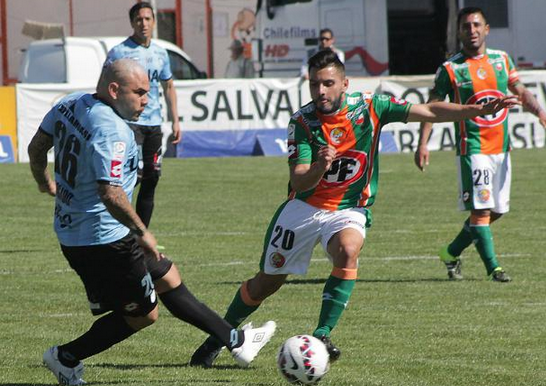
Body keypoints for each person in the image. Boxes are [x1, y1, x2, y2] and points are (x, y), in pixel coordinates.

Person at [189, 50, 518, 367]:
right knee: (266, 283)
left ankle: (322, 334)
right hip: (304, 208)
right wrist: (319, 165)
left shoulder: (371, 108)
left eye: (328, 83)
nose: (321, 91)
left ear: (345, 84)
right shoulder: (303, 122)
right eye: (315, 84)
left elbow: (429, 111)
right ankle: (217, 338)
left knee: (347, 249)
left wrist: (474, 111)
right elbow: (300, 181)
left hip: (349, 208)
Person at [28, 59, 275, 385]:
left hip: (84, 231)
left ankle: (237, 342)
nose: (147, 100)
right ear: (115, 89)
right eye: (140, 92)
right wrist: (141, 231)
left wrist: (44, 181)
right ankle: (65, 357)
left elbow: (36, 147)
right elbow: (111, 193)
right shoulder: (112, 129)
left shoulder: (69, 102)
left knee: (167, 276)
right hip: (103, 241)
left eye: (150, 92)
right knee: (144, 315)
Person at [414, 7, 546, 282]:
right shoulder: (451, 68)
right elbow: (431, 107)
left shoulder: (501, 60)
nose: (472, 30)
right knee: (480, 211)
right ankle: (494, 269)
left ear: (486, 29)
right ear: (459, 32)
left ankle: (450, 252)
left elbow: (520, 90)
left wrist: (540, 113)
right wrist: (423, 143)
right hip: (473, 149)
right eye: (466, 26)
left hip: (501, 148)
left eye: (477, 25)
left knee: (497, 210)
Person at [105, 2, 182, 228]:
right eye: (139, 19)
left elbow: (168, 86)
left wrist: (175, 119)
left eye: (148, 19)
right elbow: (105, 86)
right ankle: (117, 231)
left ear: (154, 22)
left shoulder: (160, 53)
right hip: (129, 124)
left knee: (152, 177)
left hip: (154, 126)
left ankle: (141, 236)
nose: (144, 24)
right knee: (131, 177)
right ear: (132, 23)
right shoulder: (119, 52)